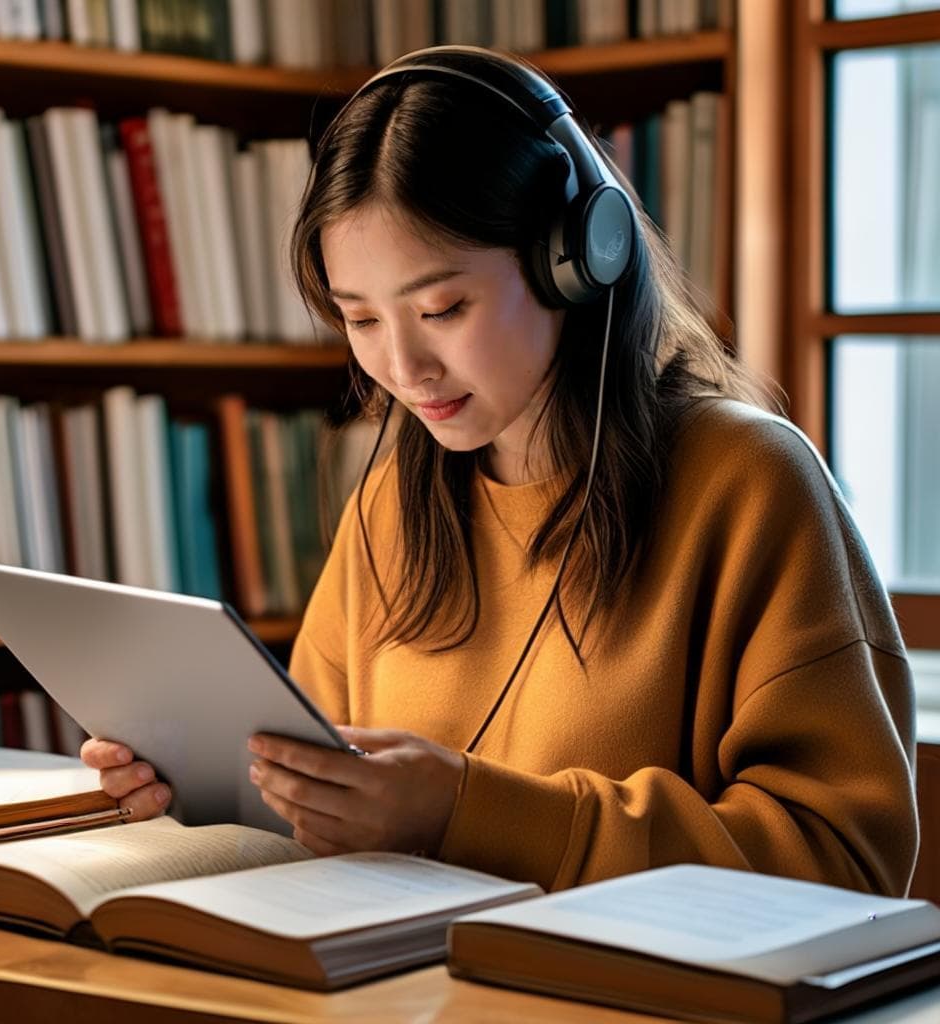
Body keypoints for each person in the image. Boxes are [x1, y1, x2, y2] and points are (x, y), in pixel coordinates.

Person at [82, 47, 918, 896]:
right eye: (360, 319)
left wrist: (467, 814)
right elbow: (319, 799)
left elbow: (843, 857)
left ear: (577, 260)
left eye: (442, 308)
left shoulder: (748, 482)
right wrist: (213, 787)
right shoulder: (388, 510)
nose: (403, 368)